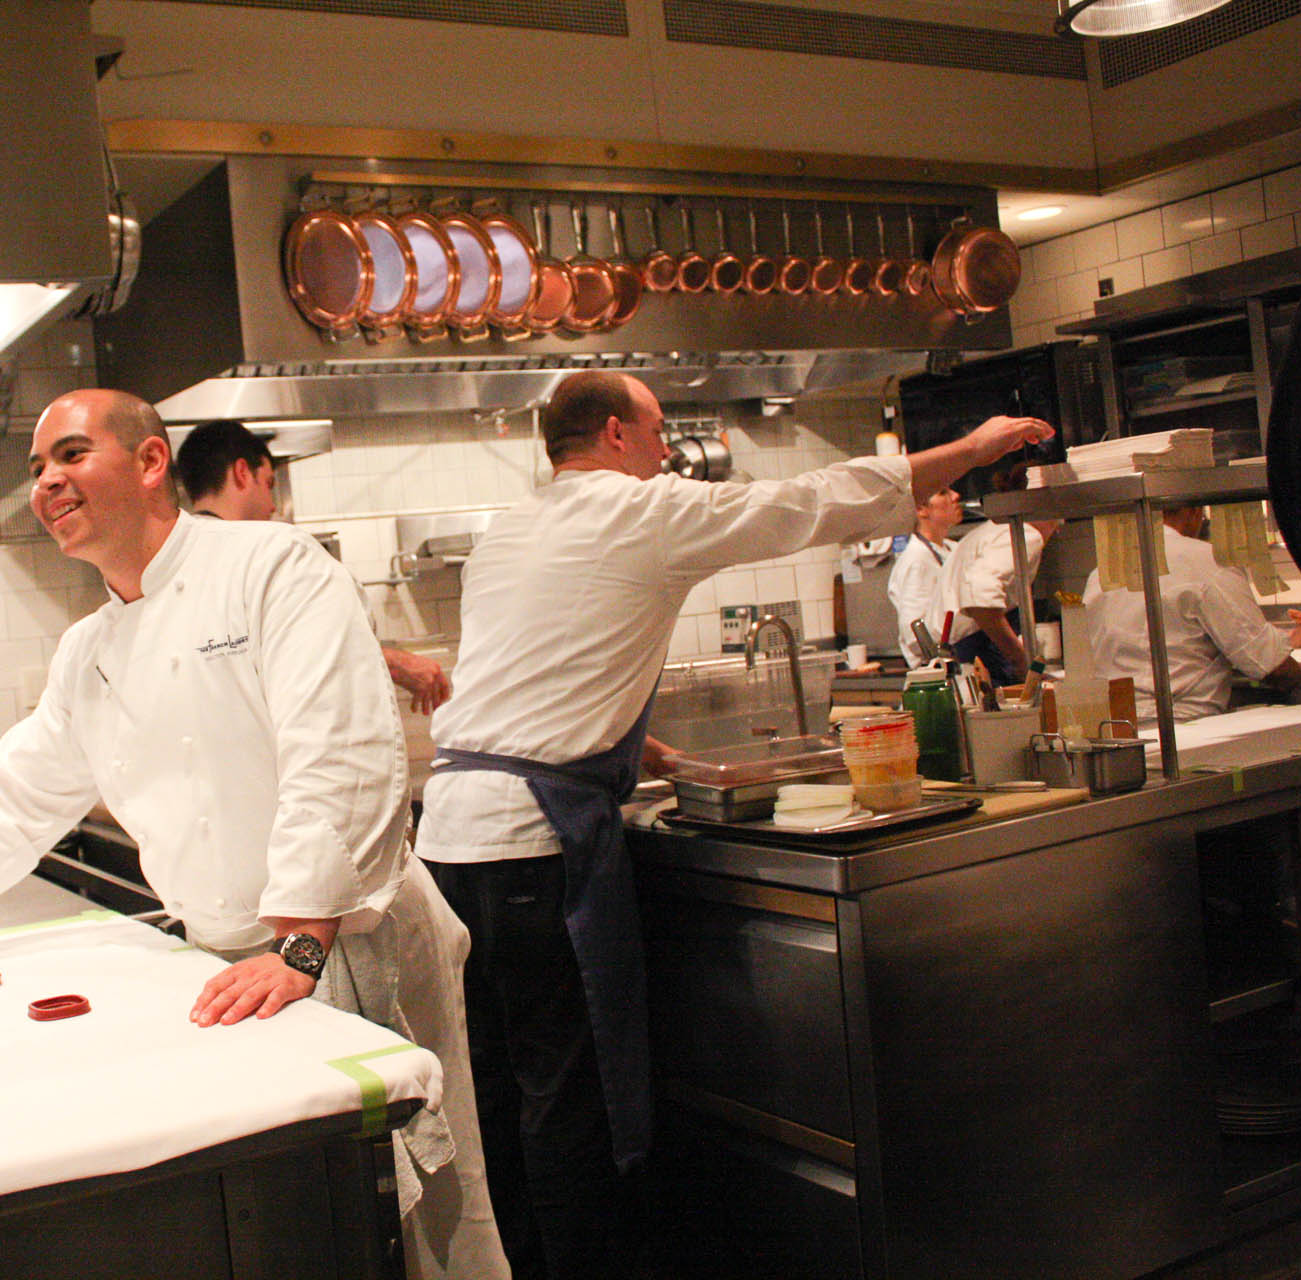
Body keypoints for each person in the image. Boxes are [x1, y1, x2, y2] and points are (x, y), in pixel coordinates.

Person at [0, 389, 509, 1280]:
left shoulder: (272, 567)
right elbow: (17, 790)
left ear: (151, 462)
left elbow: (340, 752)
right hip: (230, 963)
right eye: (37, 469)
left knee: (420, 1223)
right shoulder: (88, 649)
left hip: (346, 939)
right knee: (308, 1229)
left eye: (71, 455)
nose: (48, 482)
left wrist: (302, 941)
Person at [412, 369, 1052, 1280]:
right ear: (616, 435)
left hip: (451, 842)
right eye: (659, 428)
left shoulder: (513, 529)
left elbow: (538, 682)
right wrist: (971, 450)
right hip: (531, 848)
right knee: (566, 1097)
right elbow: (806, 503)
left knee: (503, 1098)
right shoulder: (641, 511)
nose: (670, 449)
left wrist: (654, 756)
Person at [174, 417, 453, 715]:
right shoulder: (275, 556)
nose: (272, 505)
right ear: (243, 473)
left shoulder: (167, 565)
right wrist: (394, 664)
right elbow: (310, 657)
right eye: (269, 484)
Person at [1081, 502, 1301, 721]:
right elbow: (1271, 667)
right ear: (1193, 512)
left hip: (1114, 728)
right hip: (1181, 726)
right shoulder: (1207, 560)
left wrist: (1288, 641)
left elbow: (1156, 641)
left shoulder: (1102, 571)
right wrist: (1298, 673)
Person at [931, 513, 1061, 685]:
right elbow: (980, 601)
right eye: (1057, 523)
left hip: (962, 664)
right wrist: (1022, 662)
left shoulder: (989, 531)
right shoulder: (1026, 535)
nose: (1057, 530)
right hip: (981, 664)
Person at [888, 484, 963, 668]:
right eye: (942, 492)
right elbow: (916, 636)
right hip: (936, 674)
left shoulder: (952, 548)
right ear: (921, 509)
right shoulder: (918, 559)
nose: (955, 496)